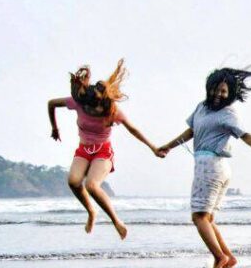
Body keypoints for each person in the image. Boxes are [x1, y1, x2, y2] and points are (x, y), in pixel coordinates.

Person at [159, 67, 251, 268]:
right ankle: (228, 256)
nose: (218, 94)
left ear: (230, 93)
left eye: (223, 91)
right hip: (212, 167)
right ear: (209, 88)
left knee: (199, 217)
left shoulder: (228, 113)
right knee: (208, 219)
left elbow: (246, 135)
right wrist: (168, 146)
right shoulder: (201, 108)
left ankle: (219, 257)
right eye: (215, 89)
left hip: (211, 166)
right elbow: (191, 131)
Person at [47, 59, 165, 239]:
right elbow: (51, 104)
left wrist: (153, 147)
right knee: (73, 181)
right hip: (84, 149)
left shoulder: (113, 111)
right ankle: (91, 212)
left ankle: (116, 221)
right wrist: (54, 128)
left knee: (92, 185)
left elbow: (133, 129)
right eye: (88, 107)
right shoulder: (79, 102)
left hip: (103, 151)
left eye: (96, 108)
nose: (91, 110)